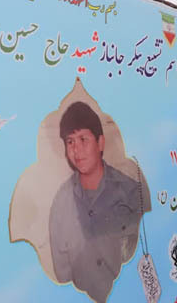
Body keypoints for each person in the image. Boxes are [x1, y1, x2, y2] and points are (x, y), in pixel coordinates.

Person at [49, 101, 142, 303]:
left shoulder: (130, 191)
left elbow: (139, 254)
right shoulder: (61, 203)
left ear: (100, 143)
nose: (76, 150)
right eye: (70, 142)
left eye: (83, 139)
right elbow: (62, 274)